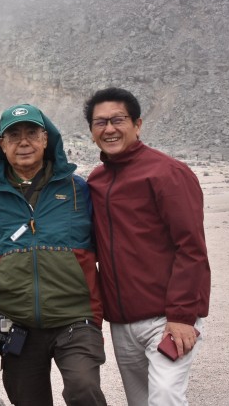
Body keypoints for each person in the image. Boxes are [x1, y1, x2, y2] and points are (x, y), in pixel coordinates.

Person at [0, 104, 107, 406]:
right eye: (14, 136)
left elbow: (107, 247)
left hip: (75, 316)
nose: (23, 142)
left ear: (46, 139)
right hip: (16, 322)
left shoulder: (78, 189)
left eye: (31, 134)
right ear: (2, 144)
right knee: (26, 399)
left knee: (84, 388)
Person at [82, 87, 211, 406]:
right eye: (100, 122)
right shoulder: (96, 181)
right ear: (92, 131)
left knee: (166, 396)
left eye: (118, 120)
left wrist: (182, 315)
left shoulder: (168, 173)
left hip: (167, 317)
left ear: (137, 124)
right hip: (122, 322)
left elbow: (191, 247)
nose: (109, 129)